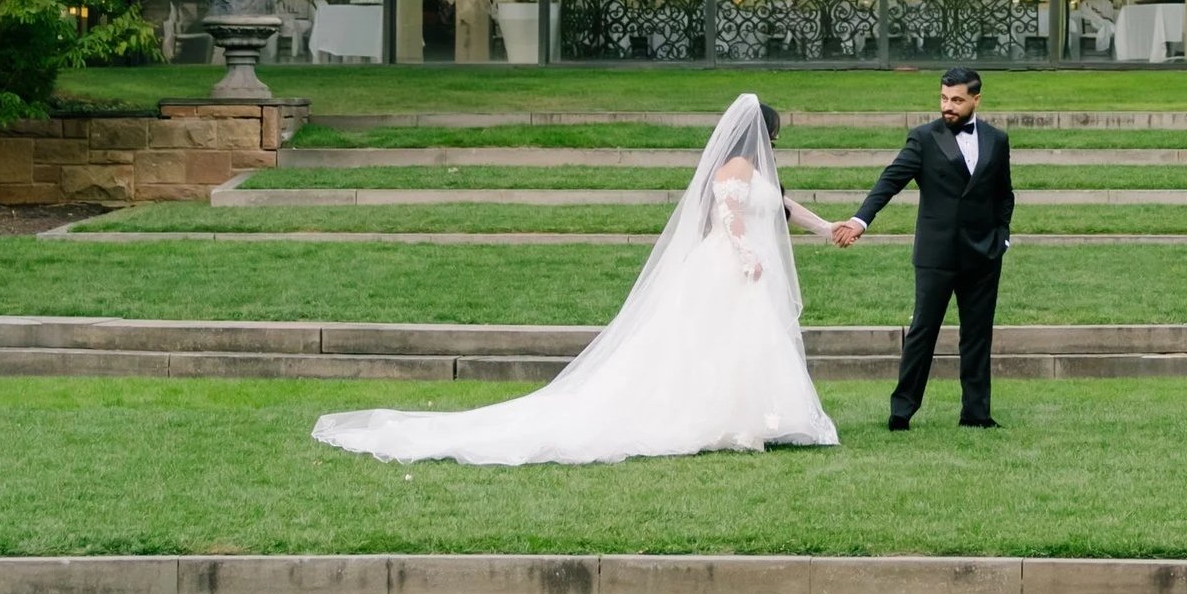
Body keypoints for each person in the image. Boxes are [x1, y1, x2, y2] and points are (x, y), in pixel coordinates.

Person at [313, 94, 839, 465]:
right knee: (713, 346)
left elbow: (782, 206)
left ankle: (757, 418)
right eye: (772, 135)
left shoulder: (760, 175)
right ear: (759, 135)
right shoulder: (737, 169)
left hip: (743, 269)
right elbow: (730, 216)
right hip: (728, 266)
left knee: (744, 346)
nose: (773, 143)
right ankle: (732, 421)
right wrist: (747, 255)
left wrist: (826, 227)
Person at [832, 67, 1014, 430]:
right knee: (922, 333)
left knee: (977, 335)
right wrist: (860, 220)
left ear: (976, 99)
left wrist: (1002, 237)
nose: (948, 106)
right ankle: (901, 411)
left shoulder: (997, 139)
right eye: (944, 98)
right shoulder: (923, 138)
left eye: (957, 100)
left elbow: (1003, 194)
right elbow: (890, 181)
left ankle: (976, 413)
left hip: (984, 254)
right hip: (936, 255)